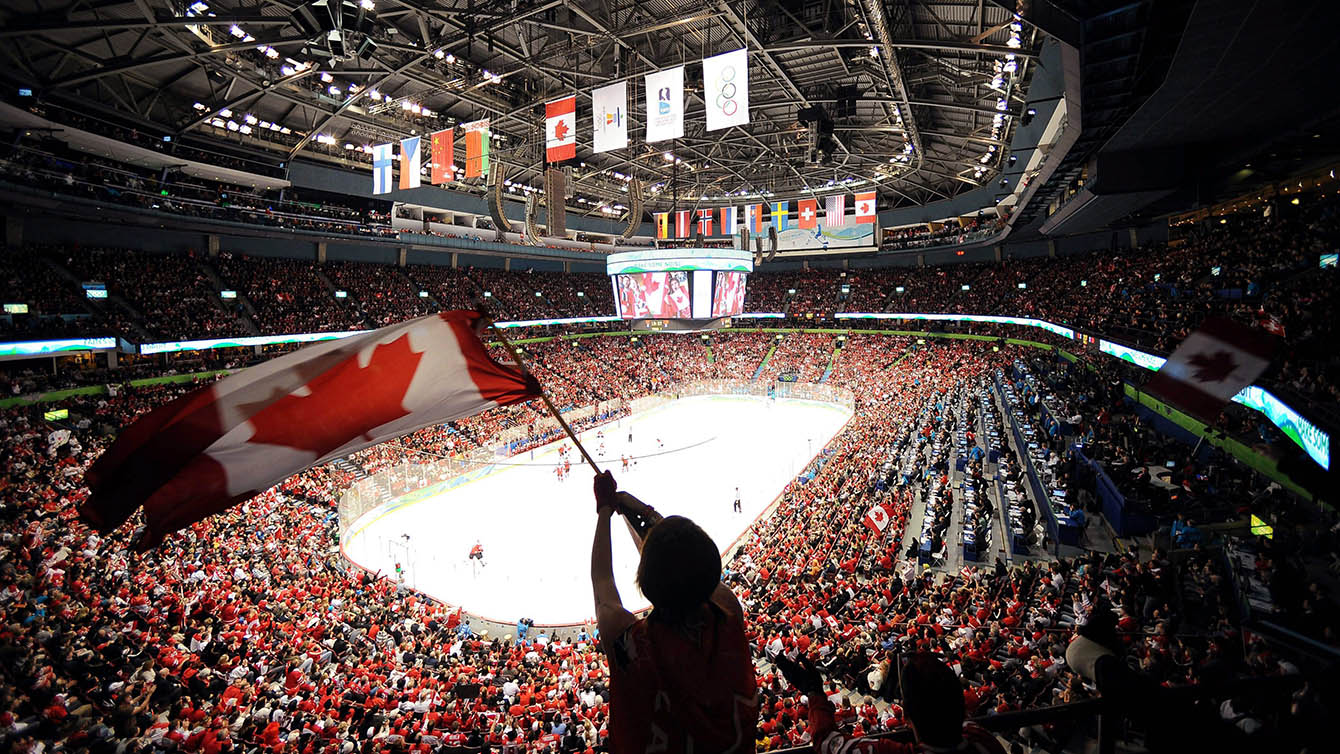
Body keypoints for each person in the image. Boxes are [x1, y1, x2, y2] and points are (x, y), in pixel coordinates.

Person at [590, 472, 758, 752]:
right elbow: (686, 559)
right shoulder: (729, 613)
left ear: (645, 582)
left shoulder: (630, 645)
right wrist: (643, 513)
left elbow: (602, 582)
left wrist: (605, 510)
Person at [777, 652, 1005, 754]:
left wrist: (814, 690)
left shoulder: (889, 750)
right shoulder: (984, 739)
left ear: (907, 717)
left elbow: (826, 742)